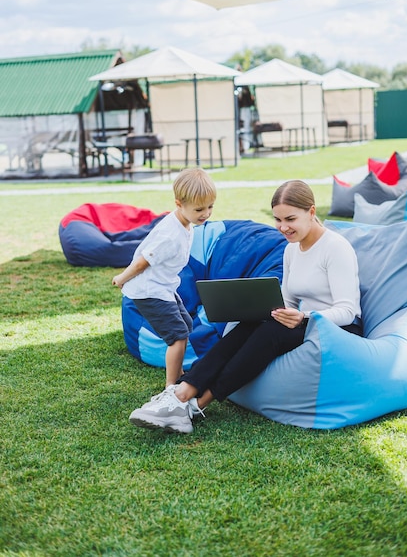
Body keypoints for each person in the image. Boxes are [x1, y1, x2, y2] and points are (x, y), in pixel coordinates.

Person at [129, 179, 362, 434]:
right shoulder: (292, 249)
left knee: (270, 333)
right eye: (278, 219)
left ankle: (195, 405)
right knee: (249, 324)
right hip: (301, 320)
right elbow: (290, 300)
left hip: (339, 329)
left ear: (312, 212)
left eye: (290, 219)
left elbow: (348, 310)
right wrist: (271, 308)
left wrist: (303, 316)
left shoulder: (336, 248)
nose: (283, 227)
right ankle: (182, 391)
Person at [112, 167, 216, 390]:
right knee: (178, 337)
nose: (206, 214)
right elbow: (142, 262)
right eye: (199, 209)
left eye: (210, 207)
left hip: (164, 287)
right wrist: (122, 277)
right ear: (179, 203)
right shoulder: (171, 235)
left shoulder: (185, 223)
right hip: (149, 291)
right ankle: (172, 386)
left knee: (186, 325)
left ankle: (179, 374)